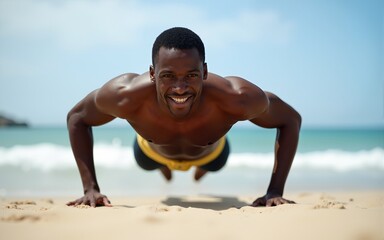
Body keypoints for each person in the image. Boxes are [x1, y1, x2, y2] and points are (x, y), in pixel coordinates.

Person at [66, 27, 301, 208]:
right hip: (150, 154)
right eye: (167, 75)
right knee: (150, 162)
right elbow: (77, 117)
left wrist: (275, 191)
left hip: (213, 155)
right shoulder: (124, 96)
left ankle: (201, 170)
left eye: (191, 75)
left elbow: (290, 119)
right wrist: (91, 189)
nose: (179, 88)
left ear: (205, 72)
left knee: (214, 163)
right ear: (152, 74)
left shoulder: (236, 98)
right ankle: (164, 169)